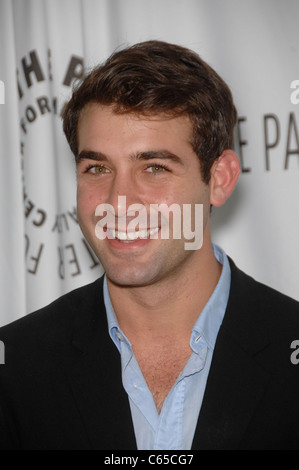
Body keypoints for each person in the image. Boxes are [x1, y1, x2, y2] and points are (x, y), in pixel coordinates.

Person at [0, 40, 299, 450]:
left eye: (154, 167)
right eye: (97, 168)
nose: (118, 202)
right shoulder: (15, 366)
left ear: (221, 179)